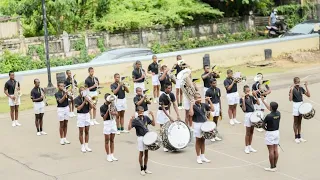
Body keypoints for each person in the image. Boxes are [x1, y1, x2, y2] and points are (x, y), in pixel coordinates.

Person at [128, 106, 155, 176]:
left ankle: (146, 168)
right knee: (141, 153)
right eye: (140, 111)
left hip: (147, 137)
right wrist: (130, 120)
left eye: (143, 111)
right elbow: (129, 128)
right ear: (137, 112)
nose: (142, 112)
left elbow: (153, 124)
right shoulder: (135, 120)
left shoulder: (146, 117)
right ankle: (141, 169)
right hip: (140, 137)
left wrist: (152, 115)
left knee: (146, 153)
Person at [189, 93, 214, 164]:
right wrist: (191, 104)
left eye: (200, 97)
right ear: (195, 99)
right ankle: (198, 157)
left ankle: (203, 156)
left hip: (204, 124)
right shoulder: (193, 106)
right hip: (197, 124)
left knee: (203, 140)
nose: (200, 98)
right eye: (198, 98)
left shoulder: (203, 105)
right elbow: (191, 114)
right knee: (198, 140)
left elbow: (212, 109)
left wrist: (209, 101)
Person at [157, 84, 181, 152]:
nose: (170, 89)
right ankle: (164, 145)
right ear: (165, 88)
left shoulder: (172, 94)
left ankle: (169, 143)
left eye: (170, 88)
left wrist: (178, 114)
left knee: (168, 128)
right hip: (161, 112)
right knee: (162, 129)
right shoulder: (161, 96)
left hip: (167, 111)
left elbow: (174, 104)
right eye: (168, 88)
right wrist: (169, 116)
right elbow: (163, 108)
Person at [260, 97, 280, 172]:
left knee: (271, 150)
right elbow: (270, 109)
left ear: (271, 108)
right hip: (277, 132)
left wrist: (265, 129)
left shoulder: (268, 116)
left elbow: (262, 125)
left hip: (270, 132)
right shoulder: (278, 113)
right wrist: (263, 102)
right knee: (275, 149)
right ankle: (275, 165)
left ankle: (272, 167)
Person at [289, 77, 310, 143]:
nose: (298, 83)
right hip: (295, 105)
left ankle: (299, 136)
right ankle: (296, 137)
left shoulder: (301, 88)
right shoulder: (292, 89)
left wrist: (306, 86)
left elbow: (308, 95)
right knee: (295, 122)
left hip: (301, 104)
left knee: (300, 122)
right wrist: (291, 90)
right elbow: (290, 99)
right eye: (297, 82)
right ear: (294, 82)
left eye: (299, 82)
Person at [240, 85, 260, 154]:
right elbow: (244, 109)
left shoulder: (251, 97)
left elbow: (258, 103)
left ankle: (250, 146)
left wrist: (255, 95)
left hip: (253, 114)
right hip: (247, 115)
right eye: (247, 91)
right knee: (247, 132)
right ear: (244, 91)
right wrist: (243, 100)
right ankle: (246, 147)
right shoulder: (242, 99)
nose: (248, 92)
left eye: (249, 91)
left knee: (252, 132)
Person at [74, 86, 95, 153]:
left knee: (87, 131)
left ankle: (86, 145)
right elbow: (78, 108)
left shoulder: (87, 97)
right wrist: (84, 102)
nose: (84, 93)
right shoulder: (77, 99)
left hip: (87, 115)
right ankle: (82, 146)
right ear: (80, 92)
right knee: (81, 131)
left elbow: (92, 107)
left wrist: (89, 101)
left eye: (84, 91)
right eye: (82, 91)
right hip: (80, 116)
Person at [100, 93, 118, 162]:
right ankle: (108, 155)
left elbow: (117, 114)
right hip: (107, 123)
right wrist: (108, 110)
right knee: (107, 140)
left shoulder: (113, 105)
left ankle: (112, 154)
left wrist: (114, 113)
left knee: (112, 140)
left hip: (113, 122)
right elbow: (104, 118)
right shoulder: (102, 107)